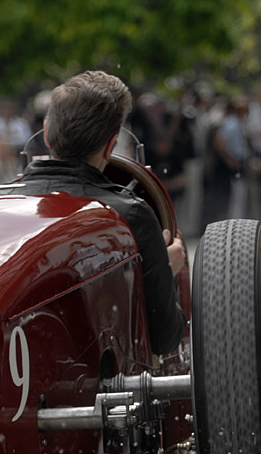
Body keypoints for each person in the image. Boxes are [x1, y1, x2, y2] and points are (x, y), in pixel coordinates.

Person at [10, 71, 187, 355]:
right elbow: (165, 338)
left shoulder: (3, 205)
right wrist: (167, 270)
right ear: (110, 146)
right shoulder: (132, 216)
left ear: (46, 133)